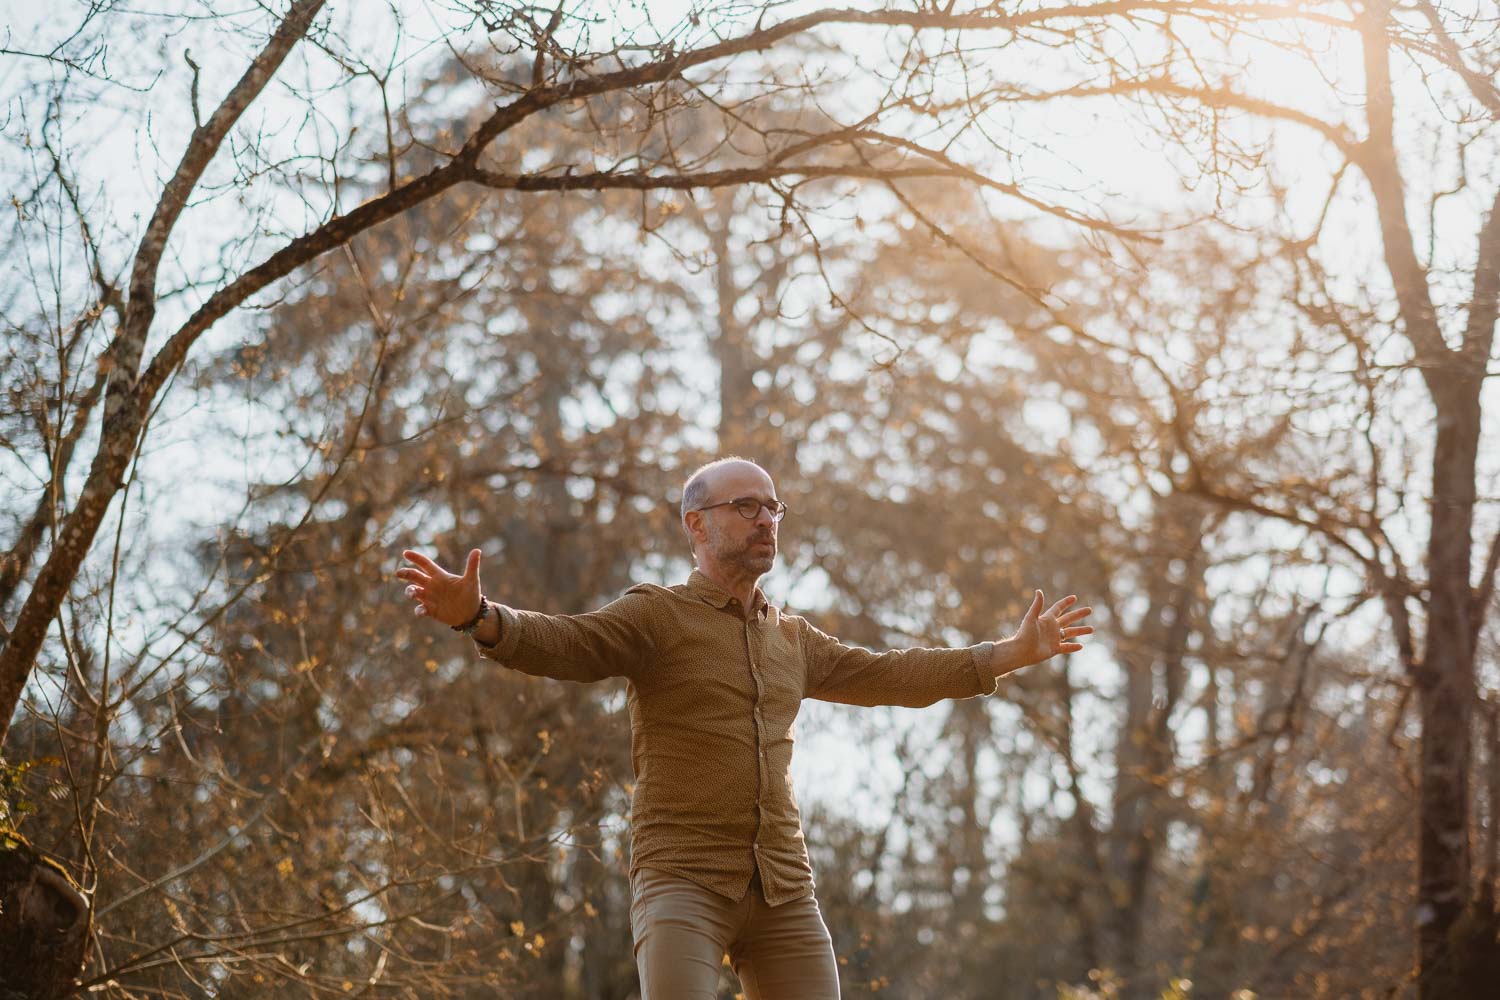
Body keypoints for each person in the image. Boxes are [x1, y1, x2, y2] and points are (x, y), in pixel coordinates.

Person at [396, 457, 1093, 999]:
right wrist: (480, 616)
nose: (766, 520)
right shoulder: (657, 617)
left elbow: (891, 675)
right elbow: (568, 643)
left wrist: (1009, 653)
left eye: (773, 508)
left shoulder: (793, 638)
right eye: (746, 506)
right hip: (683, 882)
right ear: (697, 526)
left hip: (785, 890)